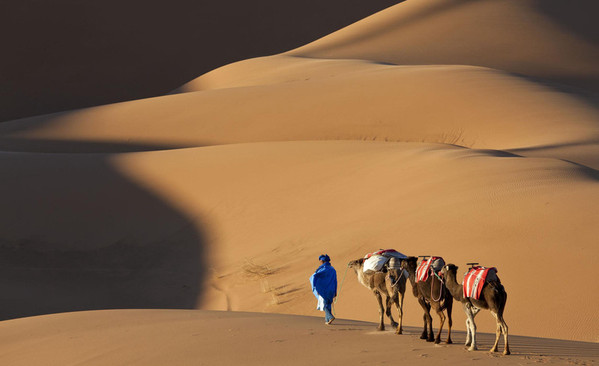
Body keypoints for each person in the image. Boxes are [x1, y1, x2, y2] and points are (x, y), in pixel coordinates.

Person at [310, 254, 337, 325]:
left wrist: (316, 288)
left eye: (320, 261)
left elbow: (315, 277)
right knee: (328, 304)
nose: (320, 262)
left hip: (324, 290)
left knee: (324, 305)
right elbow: (335, 281)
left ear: (322, 261)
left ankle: (330, 317)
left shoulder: (323, 269)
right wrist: (335, 291)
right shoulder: (332, 269)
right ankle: (327, 320)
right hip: (331, 290)